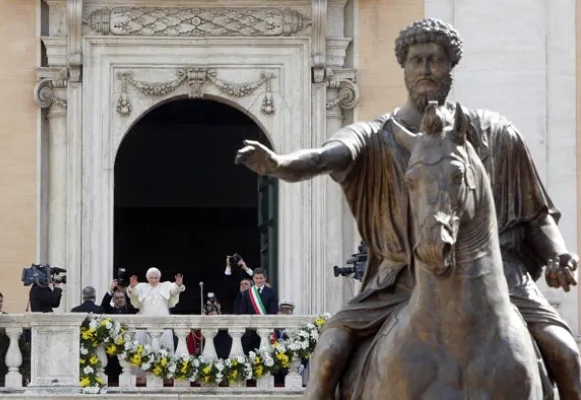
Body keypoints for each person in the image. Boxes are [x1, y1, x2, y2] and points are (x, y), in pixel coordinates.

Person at [235, 18, 581, 399]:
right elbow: (325, 156)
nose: (426, 69)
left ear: (451, 67)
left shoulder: (497, 133)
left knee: (566, 355)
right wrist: (281, 165)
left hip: (500, 280)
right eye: (417, 60)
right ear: (404, 68)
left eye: (435, 59)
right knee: (330, 352)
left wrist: (559, 254)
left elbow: (537, 215)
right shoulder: (375, 136)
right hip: (397, 280)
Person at [127, 268, 185, 353]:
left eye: (156, 278)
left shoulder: (166, 285)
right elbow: (134, 293)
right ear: (147, 278)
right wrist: (132, 286)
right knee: (145, 351)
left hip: (163, 324)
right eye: (151, 278)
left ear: (159, 278)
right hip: (146, 324)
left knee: (164, 350)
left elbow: (174, 290)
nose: (154, 280)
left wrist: (178, 285)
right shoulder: (141, 286)